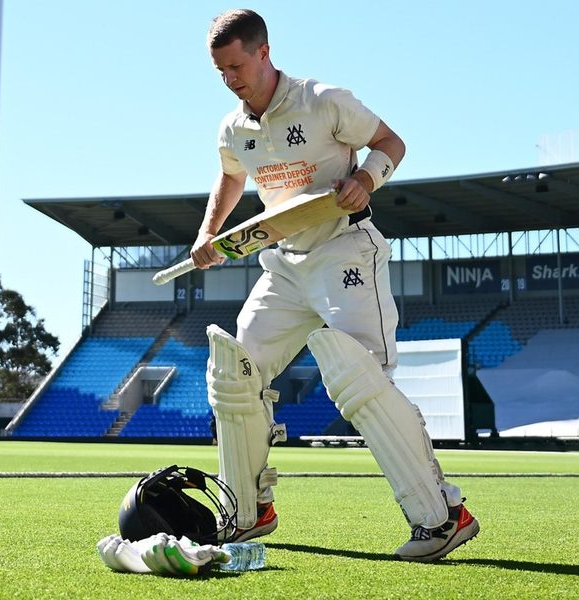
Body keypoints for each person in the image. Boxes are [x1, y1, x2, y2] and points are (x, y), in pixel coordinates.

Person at [191, 9, 478, 562]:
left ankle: (443, 516)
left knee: (361, 378)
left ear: (264, 52)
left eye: (236, 66)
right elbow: (230, 176)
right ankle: (249, 512)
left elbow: (391, 142)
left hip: (345, 247)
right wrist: (208, 233)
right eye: (220, 71)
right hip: (284, 262)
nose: (230, 79)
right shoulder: (232, 128)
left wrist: (367, 179)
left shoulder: (323, 99)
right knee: (236, 370)